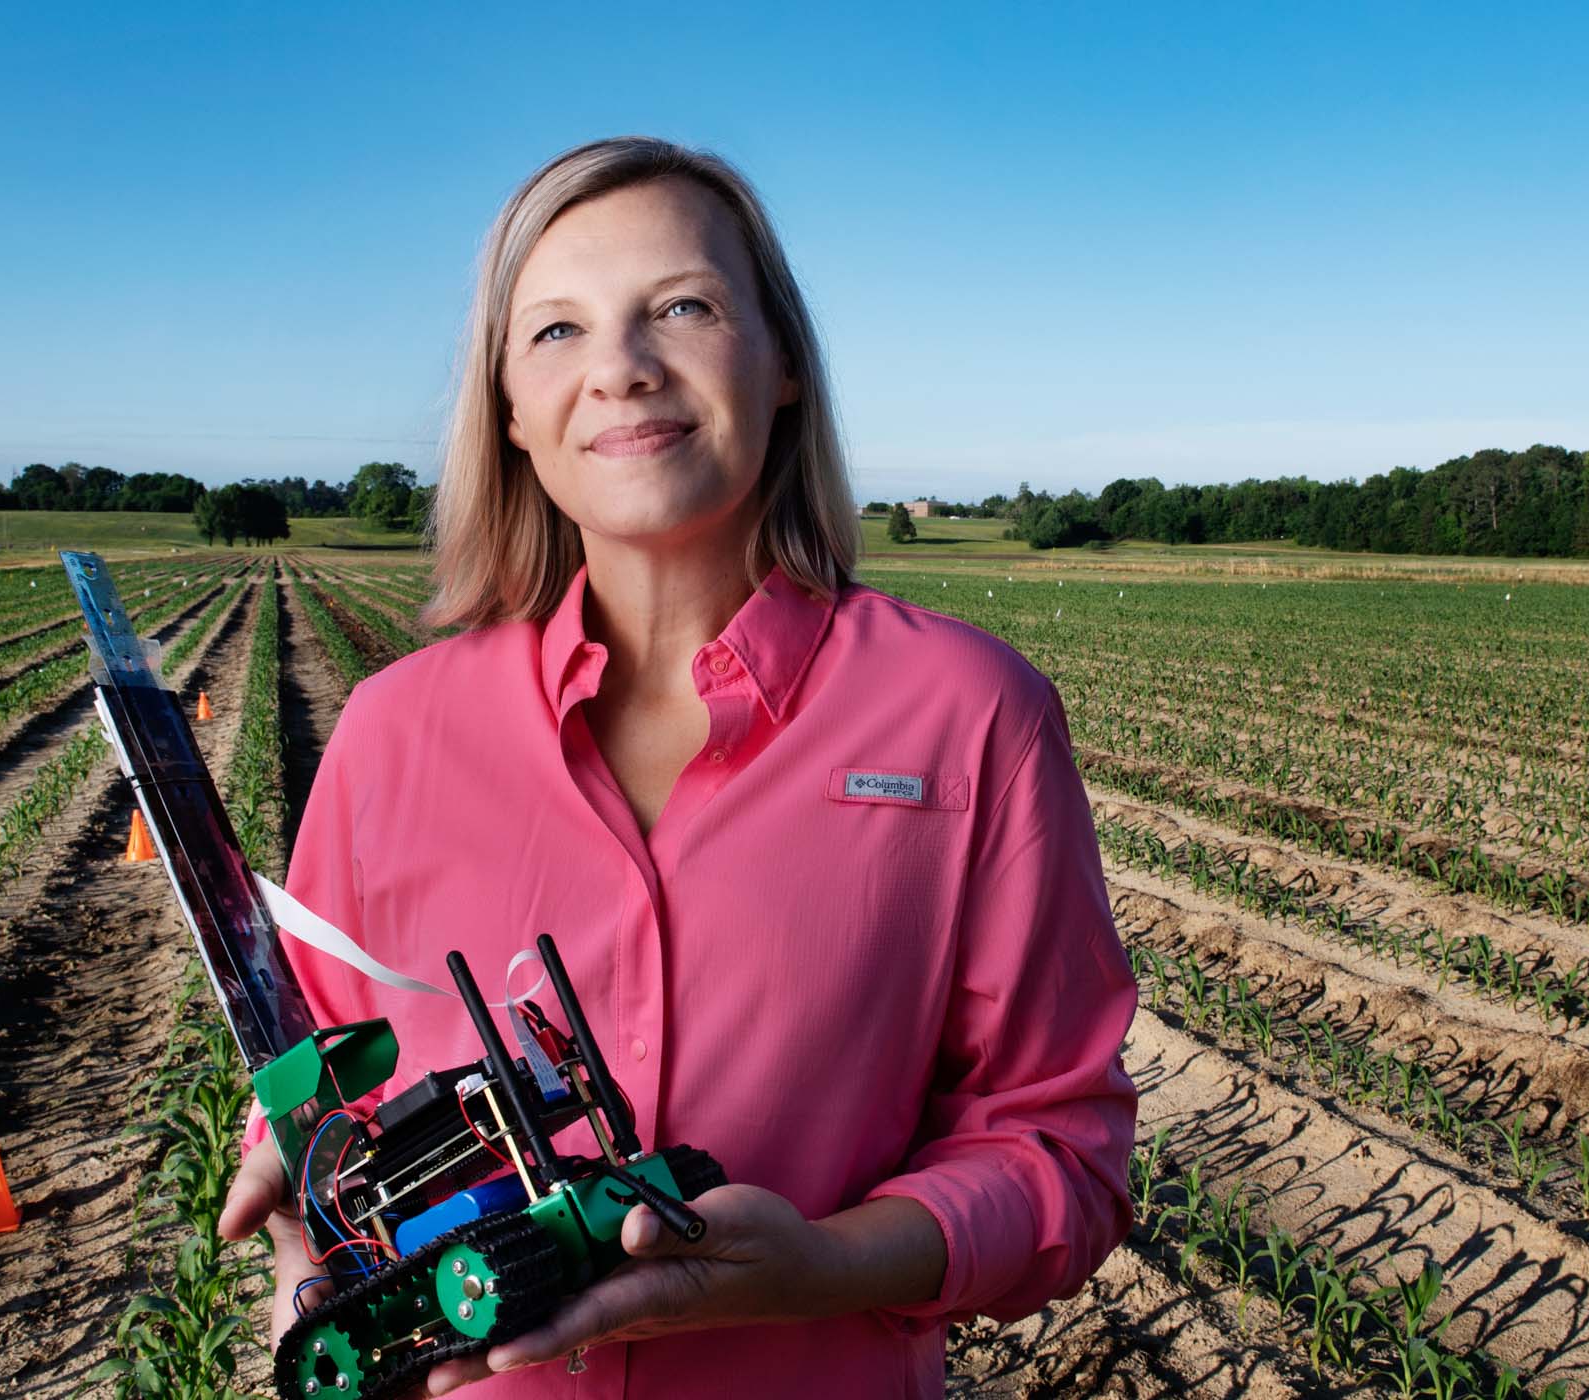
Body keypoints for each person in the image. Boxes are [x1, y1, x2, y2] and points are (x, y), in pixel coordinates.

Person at [216, 135, 1137, 1399]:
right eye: (556, 333)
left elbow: (1057, 1149)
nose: (622, 369)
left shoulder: (971, 718)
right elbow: (309, 1075)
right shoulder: (389, 733)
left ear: (787, 365)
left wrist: (821, 1263)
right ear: (511, 413)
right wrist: (295, 1240)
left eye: (684, 307)